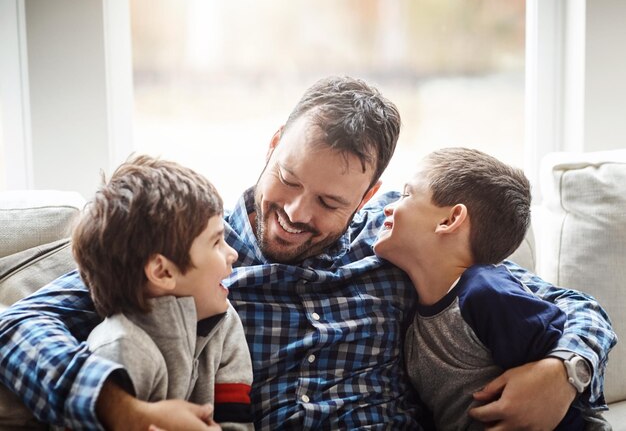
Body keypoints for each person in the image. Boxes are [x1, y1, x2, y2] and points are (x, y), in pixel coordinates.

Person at [0, 76, 617, 431]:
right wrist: (120, 408)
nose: (297, 214)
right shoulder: (189, 248)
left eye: (328, 201)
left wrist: (565, 371)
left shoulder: (400, 242)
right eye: (288, 180)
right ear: (272, 146)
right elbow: (18, 323)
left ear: (370, 195)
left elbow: (575, 308)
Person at [373, 147, 595, 430]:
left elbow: (557, 389)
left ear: (449, 220)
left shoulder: (486, 292)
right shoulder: (413, 317)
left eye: (407, 194)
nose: (388, 206)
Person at [72, 155, 253, 430]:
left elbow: (237, 424)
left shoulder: (225, 325)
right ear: (162, 272)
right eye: (216, 242)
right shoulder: (119, 349)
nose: (233, 254)